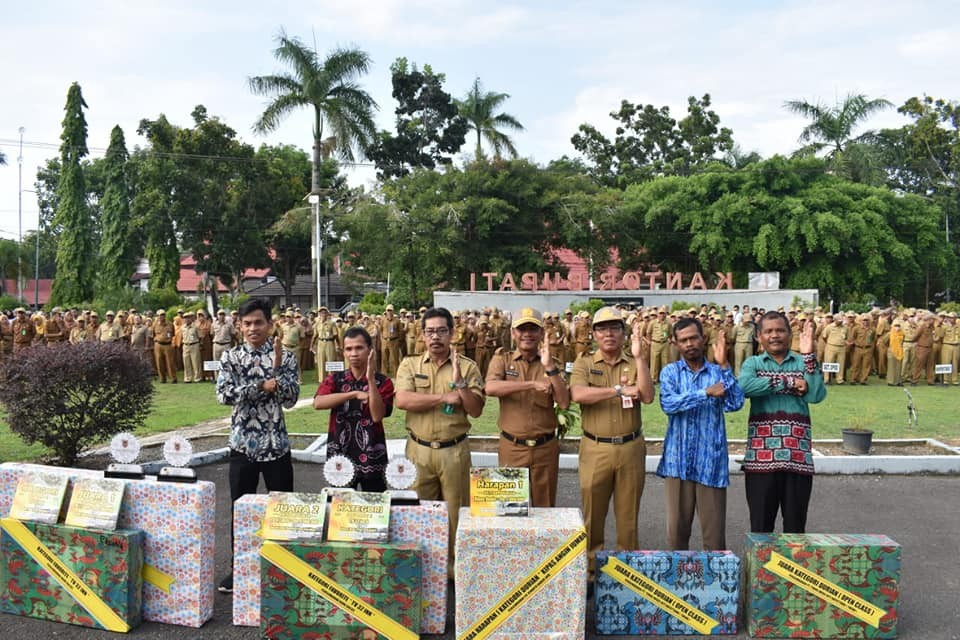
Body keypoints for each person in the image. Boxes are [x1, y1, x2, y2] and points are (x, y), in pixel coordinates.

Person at [215, 298, 300, 594]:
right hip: (243, 446)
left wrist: (276, 370)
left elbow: (290, 399)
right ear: (239, 326)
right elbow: (224, 394)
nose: (253, 328)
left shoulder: (285, 357)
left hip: (276, 444)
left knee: (283, 511)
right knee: (240, 511)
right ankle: (239, 568)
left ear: (270, 324)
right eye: (247, 323)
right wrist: (260, 387)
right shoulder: (231, 358)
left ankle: (285, 567)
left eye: (259, 322)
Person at [395, 307, 485, 575]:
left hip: (453, 451)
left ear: (452, 333)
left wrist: (460, 384)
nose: (435, 337)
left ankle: (456, 572)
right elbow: (403, 400)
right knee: (418, 514)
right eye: (430, 331)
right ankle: (421, 571)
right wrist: (443, 398)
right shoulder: (410, 364)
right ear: (422, 335)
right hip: (418, 450)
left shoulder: (467, 366)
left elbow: (476, 409)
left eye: (441, 331)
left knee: (457, 514)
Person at [570, 306, 654, 579]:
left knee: (628, 516)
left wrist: (640, 358)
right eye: (602, 329)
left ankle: (625, 575)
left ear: (623, 333)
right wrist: (618, 390)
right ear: (594, 334)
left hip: (630, 447)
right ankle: (590, 572)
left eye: (615, 328)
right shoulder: (584, 362)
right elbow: (578, 394)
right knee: (593, 515)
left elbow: (648, 396)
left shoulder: (634, 360)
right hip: (596, 447)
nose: (609, 334)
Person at [657, 317, 744, 551]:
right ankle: (676, 575)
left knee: (714, 540)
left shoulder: (717, 372)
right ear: (675, 343)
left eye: (693, 338)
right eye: (683, 340)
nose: (689, 344)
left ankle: (714, 576)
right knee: (676, 537)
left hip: (710, 464)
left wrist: (724, 365)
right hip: (678, 464)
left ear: (703, 339)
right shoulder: (670, 373)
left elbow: (735, 403)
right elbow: (668, 404)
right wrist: (705, 393)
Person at [739, 311, 826, 533]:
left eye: (780, 330)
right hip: (760, 460)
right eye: (768, 331)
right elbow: (745, 387)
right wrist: (788, 382)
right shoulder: (753, 363)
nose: (774, 335)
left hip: (797, 458)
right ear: (759, 337)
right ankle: (761, 559)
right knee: (760, 529)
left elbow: (816, 395)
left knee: (795, 531)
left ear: (789, 334)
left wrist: (809, 356)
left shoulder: (803, 362)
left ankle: (793, 558)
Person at [485, 307, 570, 507]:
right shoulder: (502, 359)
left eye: (533, 329)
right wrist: (531, 384)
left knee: (545, 508)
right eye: (522, 329)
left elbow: (564, 402)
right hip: (512, 447)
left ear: (541, 333)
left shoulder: (552, 363)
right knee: (511, 510)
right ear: (513, 333)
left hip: (545, 448)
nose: (527, 334)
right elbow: (490, 388)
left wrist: (550, 368)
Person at [313, 326, 394, 491]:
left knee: (374, 502)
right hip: (340, 452)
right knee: (340, 504)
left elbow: (377, 415)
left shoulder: (383, 382)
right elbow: (318, 403)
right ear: (343, 352)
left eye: (359, 348)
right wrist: (353, 394)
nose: (354, 353)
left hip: (372, 453)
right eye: (348, 349)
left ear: (370, 350)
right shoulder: (335, 379)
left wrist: (370, 380)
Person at [181, 311, 202, 383]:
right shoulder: (182, 327)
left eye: (188, 318)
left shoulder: (195, 327)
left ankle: (197, 378)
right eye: (185, 318)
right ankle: (188, 378)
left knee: (196, 362)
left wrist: (200, 344)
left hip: (194, 344)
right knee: (186, 362)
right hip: (185, 345)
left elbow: (200, 336)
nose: (186, 319)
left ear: (190, 318)